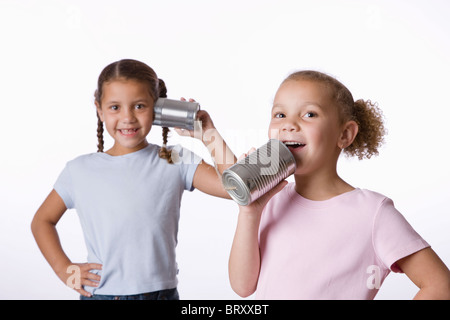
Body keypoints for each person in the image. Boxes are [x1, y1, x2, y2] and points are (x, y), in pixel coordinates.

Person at [228, 70, 450, 299]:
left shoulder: (373, 213)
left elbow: (439, 285)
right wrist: (249, 212)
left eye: (309, 114)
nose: (289, 125)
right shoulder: (270, 202)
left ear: (344, 134)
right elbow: (242, 287)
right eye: (280, 114)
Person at [31, 59, 236, 300]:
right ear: (99, 109)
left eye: (139, 106)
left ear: (157, 108)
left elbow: (234, 187)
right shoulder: (79, 169)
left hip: (161, 294)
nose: (127, 117)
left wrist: (208, 134)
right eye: (115, 107)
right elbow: (42, 221)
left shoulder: (172, 156)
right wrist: (64, 269)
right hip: (103, 294)